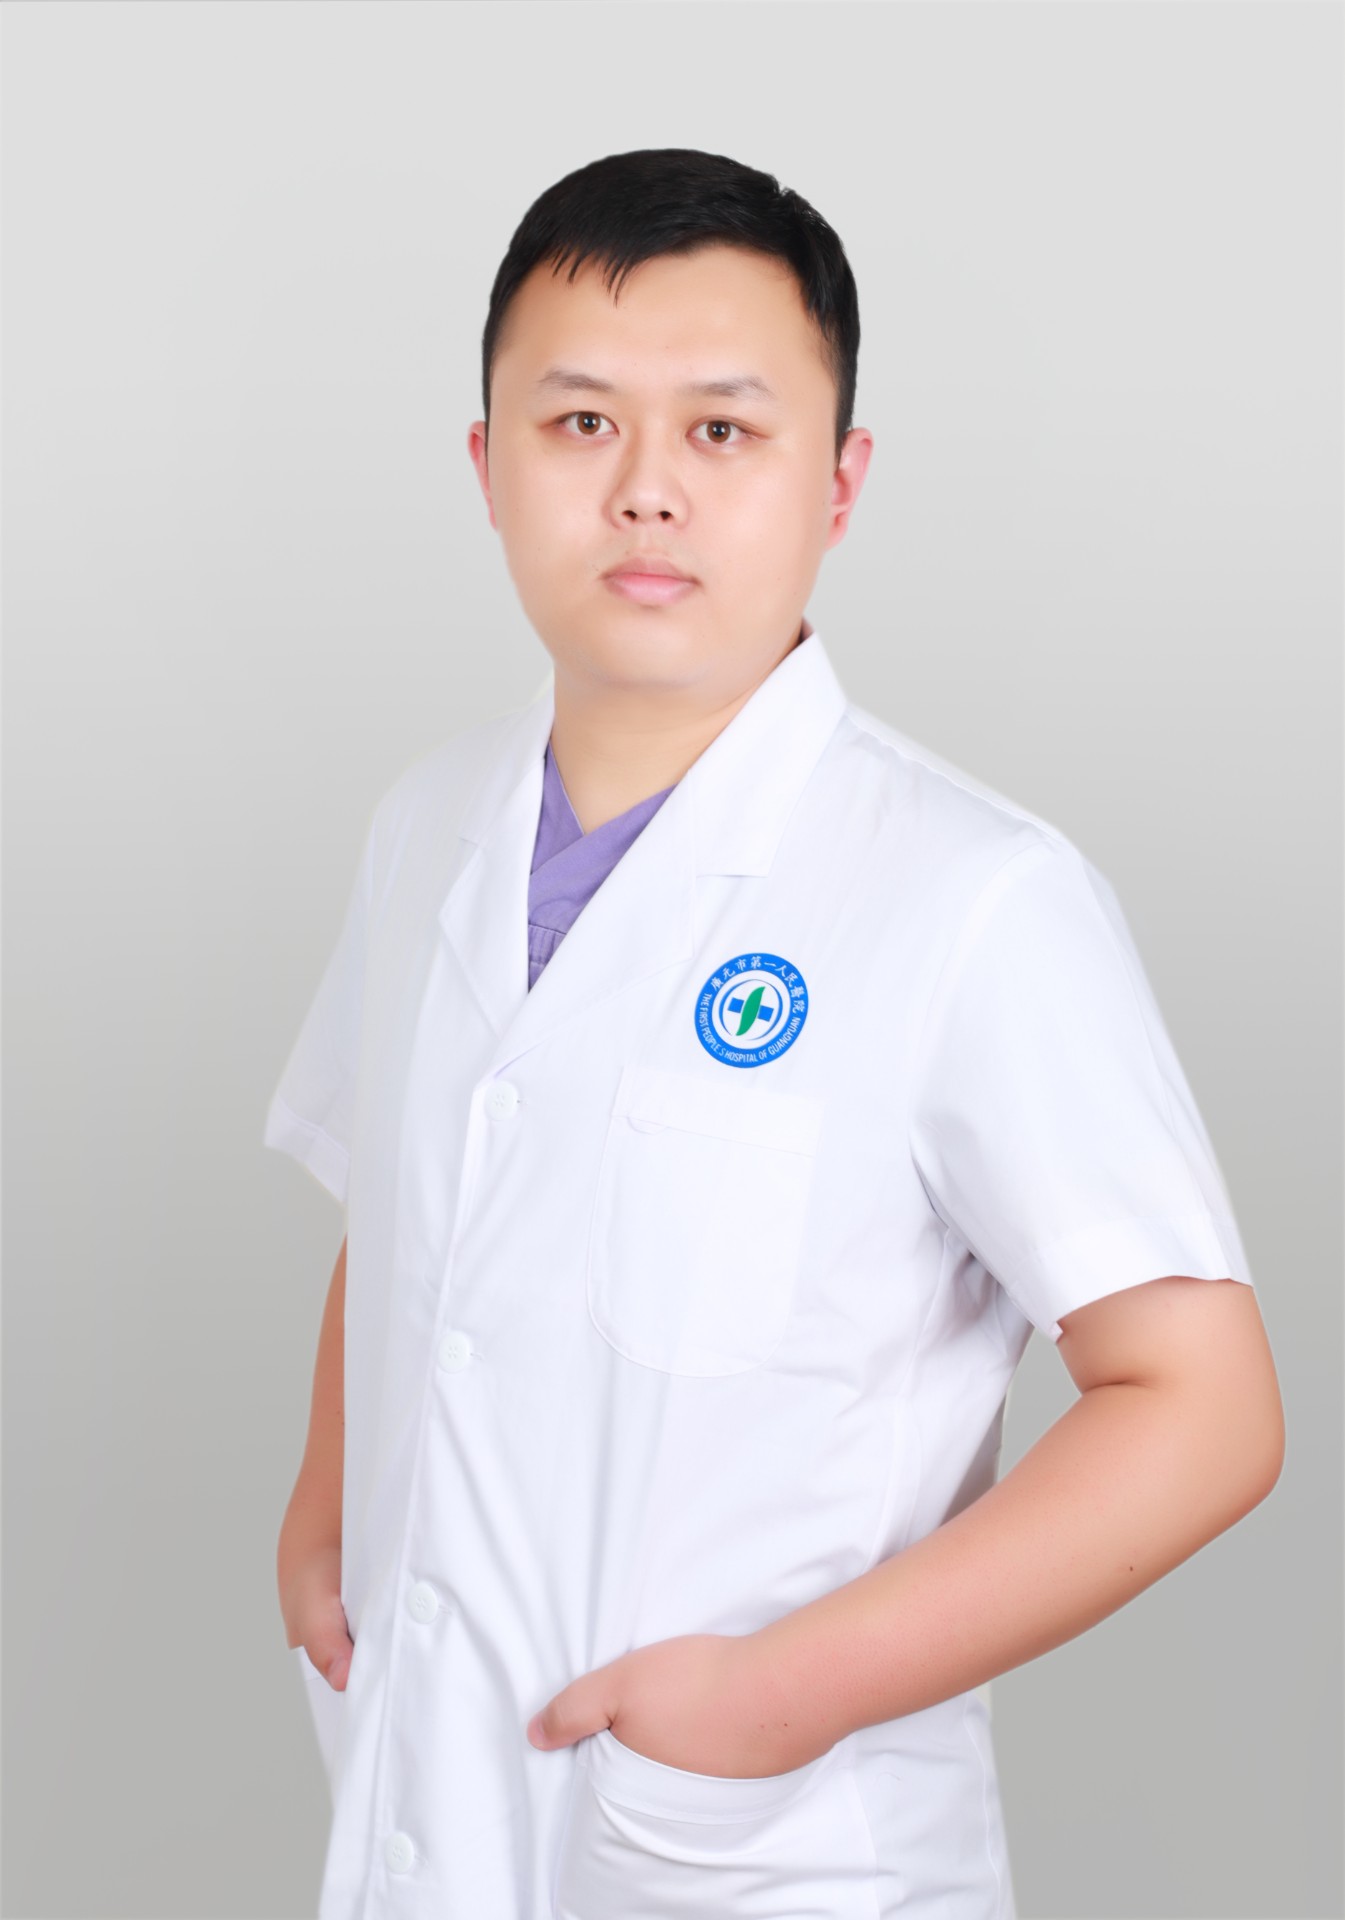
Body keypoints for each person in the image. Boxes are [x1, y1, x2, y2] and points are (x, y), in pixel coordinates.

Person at [267, 148, 1284, 1920]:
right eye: (579, 424)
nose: (645, 490)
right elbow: (419, 1198)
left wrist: (772, 1700)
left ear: (838, 481)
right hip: (430, 1809)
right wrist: (319, 1511)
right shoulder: (427, 825)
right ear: (487, 466)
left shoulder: (973, 896)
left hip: (749, 1844)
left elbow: (1201, 1410)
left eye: (723, 430)